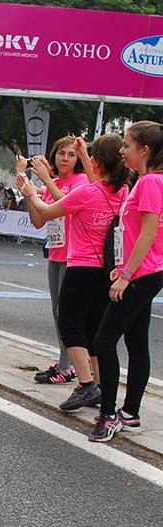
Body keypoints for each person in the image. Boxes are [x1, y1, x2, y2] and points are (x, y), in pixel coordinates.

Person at [18, 134, 129, 415]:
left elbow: (46, 210)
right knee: (93, 328)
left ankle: (85, 383)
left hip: (80, 266)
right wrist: (84, 156)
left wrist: (30, 190)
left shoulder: (85, 192)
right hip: (106, 269)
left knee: (69, 325)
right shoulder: (122, 192)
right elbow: (98, 185)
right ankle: (98, 385)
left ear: (96, 162)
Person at [88, 121, 163, 442]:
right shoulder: (151, 181)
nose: (122, 151)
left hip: (142, 274)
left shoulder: (149, 184)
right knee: (136, 342)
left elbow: (148, 232)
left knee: (103, 342)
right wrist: (122, 267)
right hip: (145, 271)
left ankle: (108, 414)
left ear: (144, 150)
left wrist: (127, 274)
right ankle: (130, 413)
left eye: (127, 146)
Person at [19, 137, 92, 385]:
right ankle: (65, 363)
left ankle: (69, 367)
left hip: (76, 256)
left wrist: (46, 182)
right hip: (56, 253)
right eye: (61, 153)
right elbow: (39, 221)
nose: (64, 159)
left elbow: (66, 205)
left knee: (69, 315)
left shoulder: (80, 181)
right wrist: (28, 190)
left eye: (71, 155)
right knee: (57, 312)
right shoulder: (56, 183)